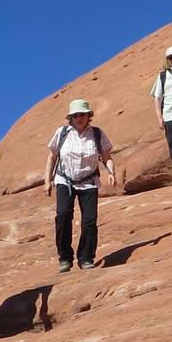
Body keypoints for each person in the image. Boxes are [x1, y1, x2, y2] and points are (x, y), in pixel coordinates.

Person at [44, 98, 117, 271]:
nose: (79, 118)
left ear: (88, 116)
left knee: (89, 221)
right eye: (76, 115)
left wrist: (111, 172)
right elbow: (52, 157)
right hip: (65, 180)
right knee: (63, 216)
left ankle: (86, 258)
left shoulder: (97, 134)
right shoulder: (62, 133)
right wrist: (47, 180)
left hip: (89, 181)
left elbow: (106, 156)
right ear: (70, 117)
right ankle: (65, 258)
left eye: (82, 114)